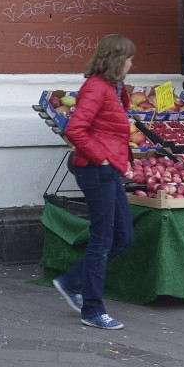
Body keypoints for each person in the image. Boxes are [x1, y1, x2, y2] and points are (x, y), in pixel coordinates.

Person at [55, 34, 137, 331]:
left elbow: (113, 132)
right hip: (95, 170)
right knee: (102, 240)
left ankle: (72, 281)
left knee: (123, 236)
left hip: (109, 169)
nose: (132, 62)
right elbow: (76, 130)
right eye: (128, 57)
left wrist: (123, 161)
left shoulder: (113, 89)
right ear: (116, 59)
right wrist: (102, 158)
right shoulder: (95, 88)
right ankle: (92, 309)